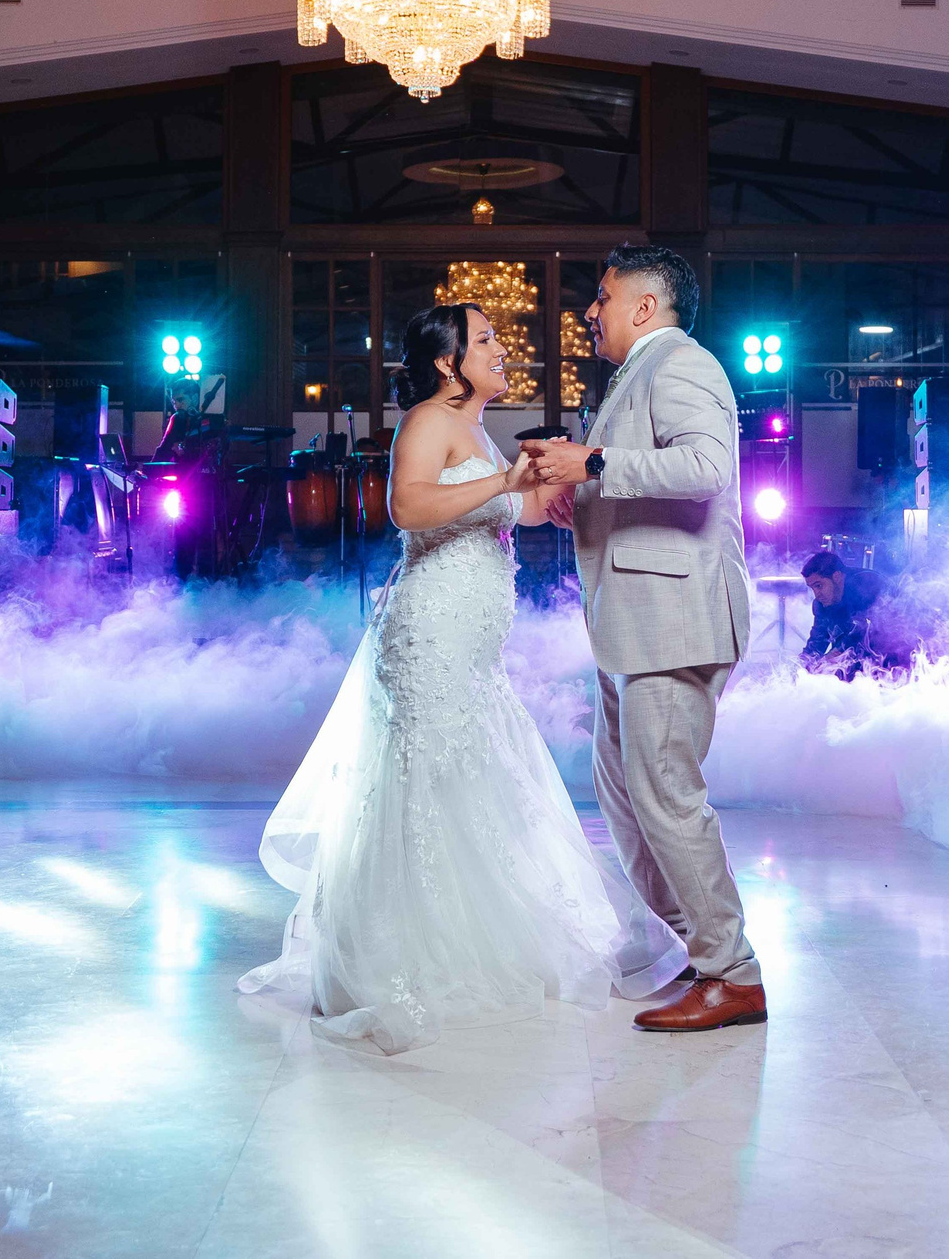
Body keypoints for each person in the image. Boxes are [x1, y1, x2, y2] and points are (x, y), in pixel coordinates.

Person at [240, 303, 674, 1053]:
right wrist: (504, 479)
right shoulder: (427, 421)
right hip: (430, 631)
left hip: (472, 641)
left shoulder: (475, 430)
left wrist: (554, 488)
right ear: (448, 362)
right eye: (485, 341)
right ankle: (401, 961)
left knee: (472, 776)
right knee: (427, 777)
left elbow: (511, 508)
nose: (502, 350)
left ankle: (481, 940)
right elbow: (409, 508)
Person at [522, 244, 766, 1034]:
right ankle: (701, 953)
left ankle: (732, 974)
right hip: (632, 623)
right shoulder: (637, 375)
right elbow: (642, 478)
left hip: (676, 619)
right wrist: (580, 498)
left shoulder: (683, 364)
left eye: (601, 295)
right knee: (629, 801)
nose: (589, 311)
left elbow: (705, 468)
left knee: (665, 795)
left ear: (644, 307)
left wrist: (590, 459)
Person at [799, 550, 888, 675]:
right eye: (812, 588)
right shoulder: (821, 603)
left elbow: (862, 630)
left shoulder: (865, 584)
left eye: (819, 586)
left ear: (837, 577)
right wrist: (802, 668)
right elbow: (818, 640)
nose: (817, 594)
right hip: (861, 654)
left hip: (895, 648)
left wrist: (833, 654)